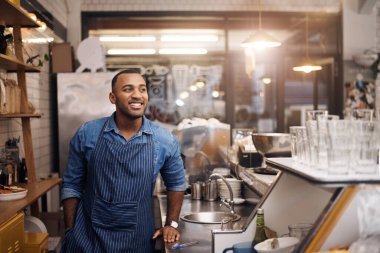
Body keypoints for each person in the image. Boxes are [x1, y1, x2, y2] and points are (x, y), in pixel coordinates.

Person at [61, 69, 186, 252]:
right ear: (112, 97)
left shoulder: (164, 140)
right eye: (128, 89)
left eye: (142, 89)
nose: (137, 95)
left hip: (138, 241)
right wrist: (70, 229)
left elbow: (176, 184)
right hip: (87, 240)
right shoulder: (88, 133)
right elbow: (72, 184)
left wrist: (172, 224)